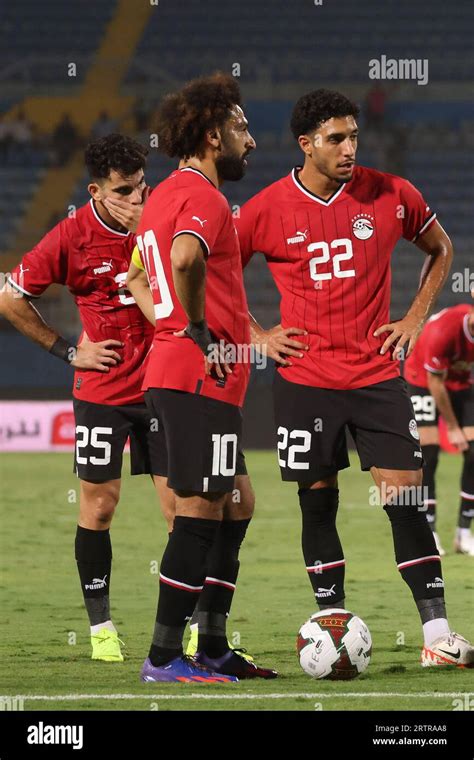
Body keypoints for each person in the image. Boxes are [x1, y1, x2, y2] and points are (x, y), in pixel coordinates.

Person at [236, 88, 474, 669]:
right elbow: (216, 275)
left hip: (375, 375)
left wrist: (416, 317)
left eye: (354, 136)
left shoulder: (392, 194)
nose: (349, 148)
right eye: (336, 138)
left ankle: (437, 634)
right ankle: (330, 623)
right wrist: (258, 335)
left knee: (407, 497)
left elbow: (440, 248)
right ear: (306, 144)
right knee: (317, 503)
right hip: (304, 379)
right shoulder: (266, 208)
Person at [127, 72, 277, 681]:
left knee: (236, 504)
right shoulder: (205, 198)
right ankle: (164, 657)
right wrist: (196, 329)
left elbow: (137, 275)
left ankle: (213, 646)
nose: (252, 142)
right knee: (198, 511)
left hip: (187, 375)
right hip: (196, 378)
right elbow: (185, 259)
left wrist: (169, 323)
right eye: (242, 129)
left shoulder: (160, 196)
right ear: (214, 135)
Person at [0, 133, 169, 664]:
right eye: (124, 191)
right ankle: (101, 630)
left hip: (165, 386)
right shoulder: (71, 235)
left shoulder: (164, 217)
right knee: (98, 507)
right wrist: (69, 351)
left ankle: (186, 631)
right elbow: (10, 297)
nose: (138, 199)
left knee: (182, 511)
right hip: (103, 392)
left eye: (142, 186)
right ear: (96, 190)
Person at [404, 302, 474, 557]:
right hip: (422, 380)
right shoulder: (443, 331)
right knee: (428, 455)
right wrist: (453, 428)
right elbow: (436, 385)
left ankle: (463, 533)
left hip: (459, 382)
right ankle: (429, 531)